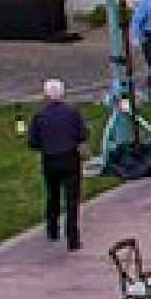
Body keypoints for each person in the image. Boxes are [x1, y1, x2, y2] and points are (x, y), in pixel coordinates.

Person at [25, 80, 86, 249]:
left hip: (50, 159)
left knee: (53, 195)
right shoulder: (72, 113)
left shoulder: (39, 116)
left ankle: (52, 230)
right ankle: (73, 238)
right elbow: (82, 136)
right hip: (70, 158)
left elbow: (33, 143)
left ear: (46, 95)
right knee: (72, 198)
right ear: (62, 93)